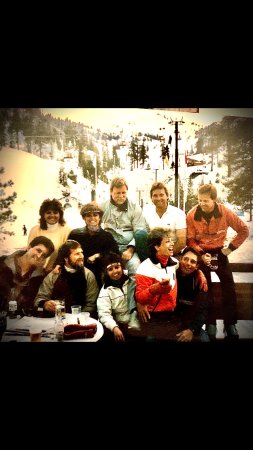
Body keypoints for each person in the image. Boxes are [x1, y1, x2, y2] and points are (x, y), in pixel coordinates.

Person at [186, 183, 249, 340]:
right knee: (204, 286)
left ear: (214, 199)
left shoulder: (224, 212)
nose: (202, 203)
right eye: (200, 200)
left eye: (206, 200)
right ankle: (210, 322)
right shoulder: (192, 215)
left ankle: (230, 324)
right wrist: (200, 254)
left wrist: (230, 248)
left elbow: (244, 230)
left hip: (219, 252)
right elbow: (190, 240)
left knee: (228, 284)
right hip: (201, 253)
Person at [100, 177, 148, 325]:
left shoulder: (134, 207)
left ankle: (133, 310)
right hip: (110, 246)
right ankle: (104, 312)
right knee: (103, 269)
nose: (121, 196)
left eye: (123, 193)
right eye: (117, 193)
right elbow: (97, 224)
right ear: (110, 192)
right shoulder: (103, 207)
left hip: (128, 245)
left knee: (135, 268)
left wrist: (130, 249)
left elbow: (140, 229)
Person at [34, 239, 99, 318]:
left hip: (80, 321)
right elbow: (39, 299)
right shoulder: (54, 275)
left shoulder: (88, 275)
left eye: (81, 252)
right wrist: (45, 304)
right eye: (77, 254)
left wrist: (79, 318)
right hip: (56, 319)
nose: (81, 256)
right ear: (66, 258)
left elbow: (91, 304)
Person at [68, 201, 119, 288]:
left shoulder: (107, 236)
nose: (92, 218)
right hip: (80, 270)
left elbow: (115, 253)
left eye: (95, 215)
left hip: (101, 272)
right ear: (84, 218)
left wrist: (98, 255)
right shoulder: (75, 234)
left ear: (99, 218)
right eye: (88, 215)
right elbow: (67, 252)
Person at [0, 236, 55, 317]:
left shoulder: (39, 277)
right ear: (29, 247)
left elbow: (36, 302)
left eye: (43, 255)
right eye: (38, 250)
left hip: (19, 322)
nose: (39, 256)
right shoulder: (2, 264)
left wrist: (45, 304)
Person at [97, 252, 139, 342]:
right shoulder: (105, 291)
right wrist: (114, 328)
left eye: (117, 267)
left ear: (122, 267)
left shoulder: (131, 279)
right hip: (121, 324)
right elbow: (104, 314)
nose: (115, 271)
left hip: (138, 319)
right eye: (110, 269)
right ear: (106, 272)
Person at [27, 198, 71, 272]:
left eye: (55, 212)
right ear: (43, 214)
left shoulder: (67, 231)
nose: (52, 215)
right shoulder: (35, 230)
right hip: (34, 272)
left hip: (57, 271)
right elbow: (29, 252)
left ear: (60, 214)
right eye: (48, 212)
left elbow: (68, 254)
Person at [143, 181, 186, 255]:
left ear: (167, 196)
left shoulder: (178, 213)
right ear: (151, 198)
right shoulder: (146, 212)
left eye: (161, 195)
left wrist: (166, 255)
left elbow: (181, 242)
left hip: (173, 254)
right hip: (153, 254)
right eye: (155, 195)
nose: (158, 198)